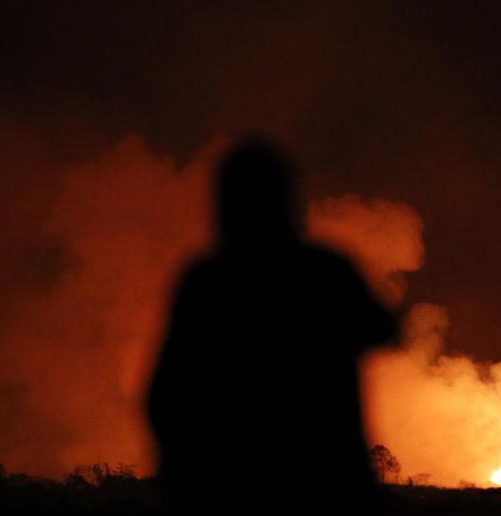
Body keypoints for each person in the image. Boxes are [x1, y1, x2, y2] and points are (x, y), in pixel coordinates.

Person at [147, 139, 398, 514]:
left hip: (226, 488)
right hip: (326, 485)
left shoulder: (207, 280)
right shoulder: (325, 272)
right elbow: (384, 329)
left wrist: (181, 471)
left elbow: (165, 391)